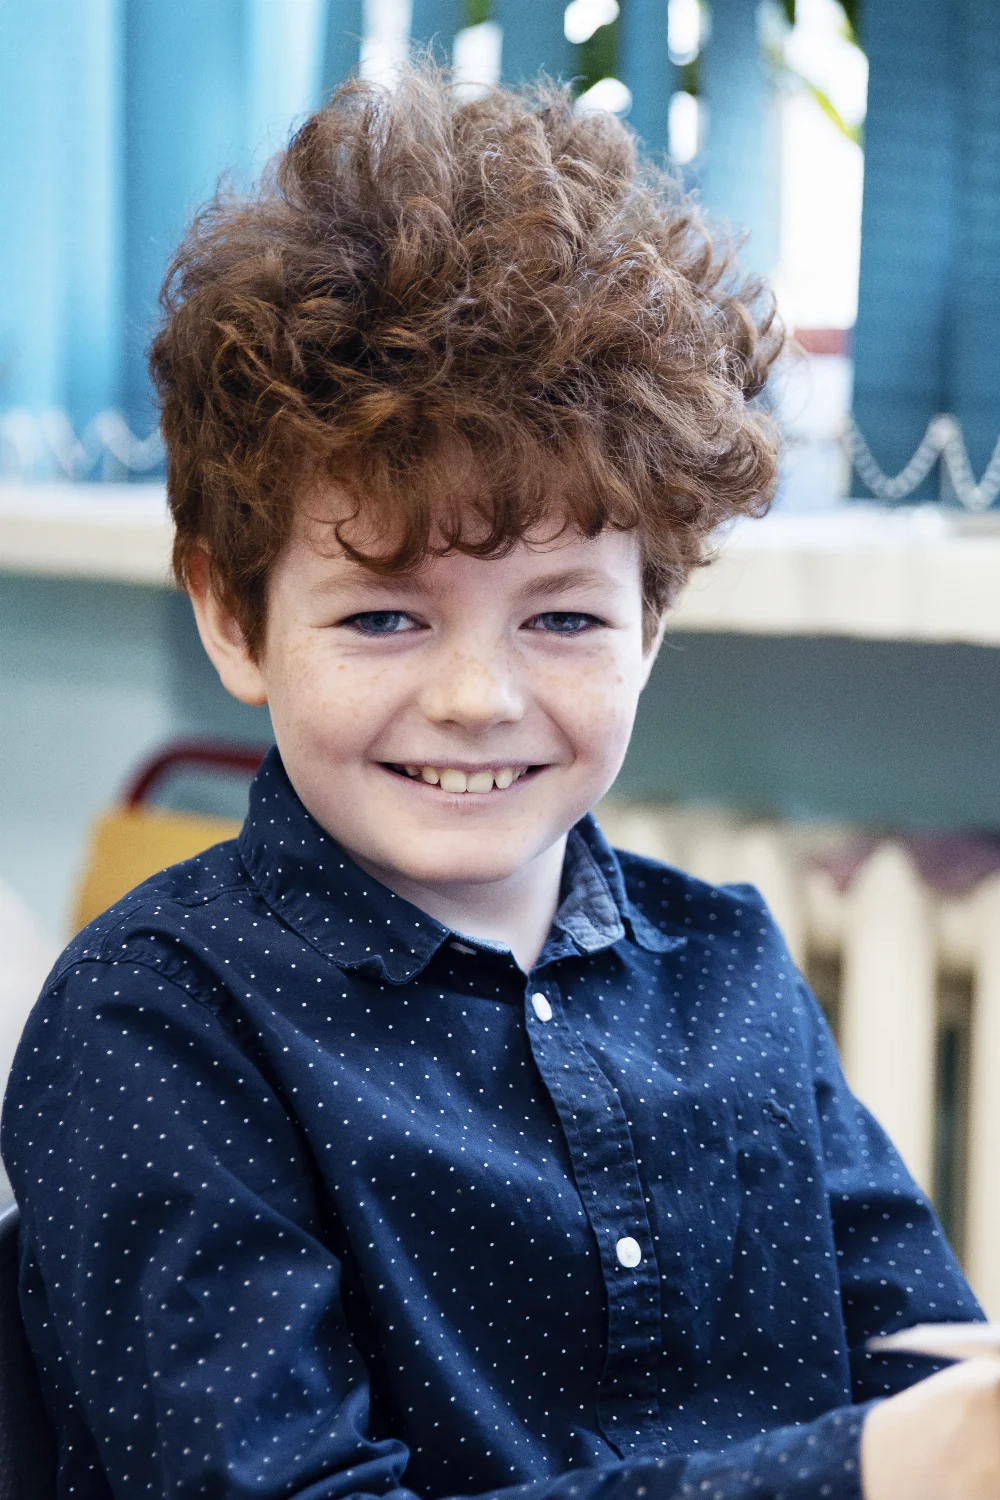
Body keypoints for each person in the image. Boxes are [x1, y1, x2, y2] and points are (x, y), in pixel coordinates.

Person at [2, 65, 995, 1500]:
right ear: (231, 614)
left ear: (651, 626)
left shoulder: (729, 967)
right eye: (384, 616)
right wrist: (868, 1468)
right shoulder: (154, 1027)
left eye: (565, 619)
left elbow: (931, 1381)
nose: (478, 698)